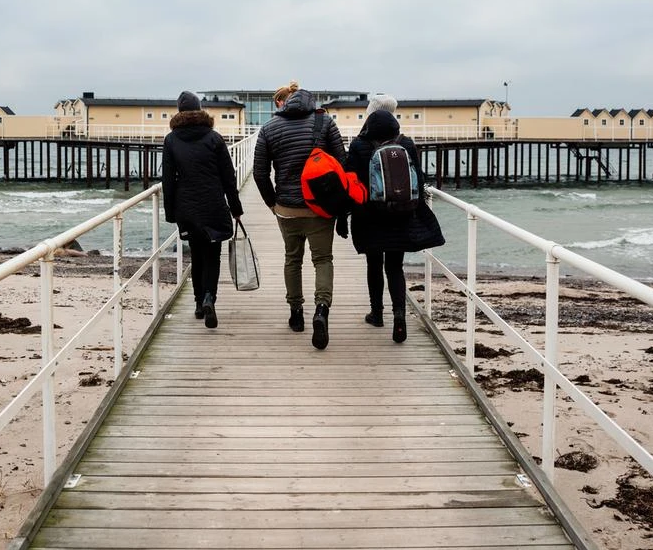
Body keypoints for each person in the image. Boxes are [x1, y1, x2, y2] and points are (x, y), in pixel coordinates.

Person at [253, 80, 347, 350]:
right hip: (320, 207)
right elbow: (342, 164)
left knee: (292, 259)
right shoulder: (325, 123)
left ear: (285, 101)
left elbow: (260, 173)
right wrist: (339, 206)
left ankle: (296, 314)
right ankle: (321, 310)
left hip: (287, 207)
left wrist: (272, 203)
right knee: (323, 259)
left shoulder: (269, 127)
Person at [344, 98, 445, 343]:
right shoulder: (406, 144)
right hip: (401, 215)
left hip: (369, 216)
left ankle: (377, 314)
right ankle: (399, 315)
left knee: (374, 265)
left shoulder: (359, 145)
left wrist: (344, 215)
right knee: (394, 267)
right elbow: (418, 182)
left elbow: (350, 182)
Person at [161, 91, 244, 329]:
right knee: (213, 255)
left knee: (196, 255)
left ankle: (198, 303)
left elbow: (168, 180)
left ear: (179, 112)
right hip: (214, 204)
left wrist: (170, 213)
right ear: (200, 110)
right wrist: (236, 208)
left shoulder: (171, 140)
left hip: (187, 207)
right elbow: (229, 177)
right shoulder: (214, 138)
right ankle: (210, 297)